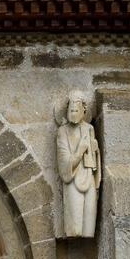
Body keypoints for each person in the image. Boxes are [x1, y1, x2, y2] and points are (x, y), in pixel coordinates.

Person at [56, 90, 101, 238]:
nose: (74, 111)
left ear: (84, 110)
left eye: (77, 108)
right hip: (73, 178)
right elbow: (64, 161)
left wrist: (95, 152)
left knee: (89, 229)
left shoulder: (89, 128)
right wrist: (80, 151)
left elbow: (94, 158)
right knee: (75, 229)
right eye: (71, 109)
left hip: (89, 178)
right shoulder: (63, 132)